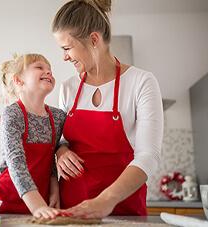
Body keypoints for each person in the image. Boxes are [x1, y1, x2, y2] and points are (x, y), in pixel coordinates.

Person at [51, 0, 163, 218]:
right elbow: (61, 139)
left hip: (123, 210)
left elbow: (149, 156)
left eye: (67, 48)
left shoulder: (141, 82)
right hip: (72, 210)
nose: (64, 57)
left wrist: (105, 200)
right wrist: (61, 151)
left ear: (94, 39)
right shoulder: (68, 88)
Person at [0, 53, 66, 219]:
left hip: (42, 202)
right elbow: (15, 162)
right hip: (6, 203)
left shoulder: (58, 117)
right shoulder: (12, 113)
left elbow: (51, 158)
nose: (49, 72)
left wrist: (54, 188)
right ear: (18, 80)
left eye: (50, 70)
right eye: (39, 67)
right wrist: (36, 205)